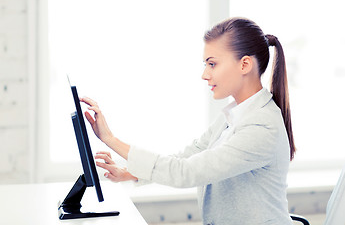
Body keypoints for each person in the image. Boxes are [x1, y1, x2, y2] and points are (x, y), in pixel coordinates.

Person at [80, 17, 295, 225]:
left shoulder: (261, 126)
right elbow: (190, 154)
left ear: (244, 64)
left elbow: (187, 172)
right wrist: (128, 172)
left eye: (212, 64)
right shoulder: (235, 116)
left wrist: (110, 139)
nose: (204, 74)